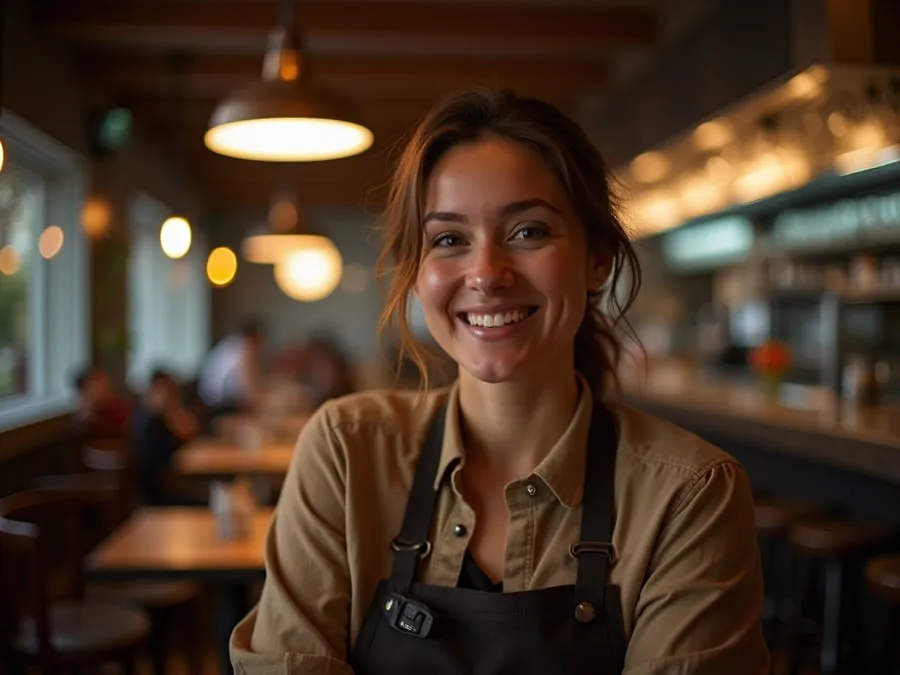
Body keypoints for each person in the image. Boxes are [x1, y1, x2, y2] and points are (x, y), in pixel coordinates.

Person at [230, 90, 769, 674]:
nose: (486, 273)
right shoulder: (346, 450)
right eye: (449, 239)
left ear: (598, 261)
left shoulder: (688, 496)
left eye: (528, 231)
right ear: (416, 274)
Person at [132, 368, 200, 505]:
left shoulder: (152, 414)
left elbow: (191, 431)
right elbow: (186, 435)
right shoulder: (152, 419)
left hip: (169, 486)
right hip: (162, 494)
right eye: (166, 389)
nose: (170, 393)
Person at [198, 319, 265, 418]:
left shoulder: (232, 343)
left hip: (211, 397)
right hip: (220, 404)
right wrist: (260, 403)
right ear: (255, 336)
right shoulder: (244, 349)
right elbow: (246, 385)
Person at [71, 366, 131, 441]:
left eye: (105, 384)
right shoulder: (85, 409)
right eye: (97, 385)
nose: (104, 388)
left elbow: (126, 427)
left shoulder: (116, 404)